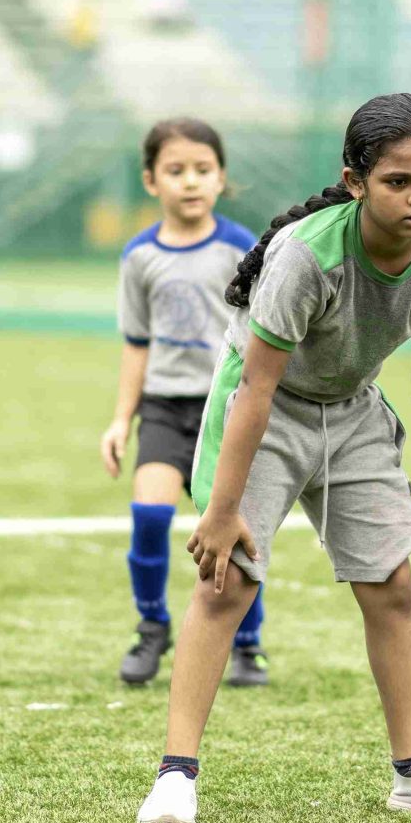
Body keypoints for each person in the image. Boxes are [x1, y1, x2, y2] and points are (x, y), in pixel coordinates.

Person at [136, 93, 411, 823]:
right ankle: (175, 776)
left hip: (352, 407)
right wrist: (222, 508)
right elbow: (257, 387)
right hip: (264, 407)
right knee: (227, 580)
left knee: (392, 584)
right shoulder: (308, 253)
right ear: (357, 180)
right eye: (400, 180)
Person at [100, 119, 266, 689]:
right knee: (149, 515)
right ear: (151, 180)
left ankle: (247, 644)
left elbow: (266, 335)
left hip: (226, 410)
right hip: (165, 409)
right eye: (176, 171)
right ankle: (151, 628)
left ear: (221, 179)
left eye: (203, 170)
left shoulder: (242, 247)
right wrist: (122, 418)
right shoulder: (139, 256)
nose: (190, 182)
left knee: (231, 527)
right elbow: (135, 344)